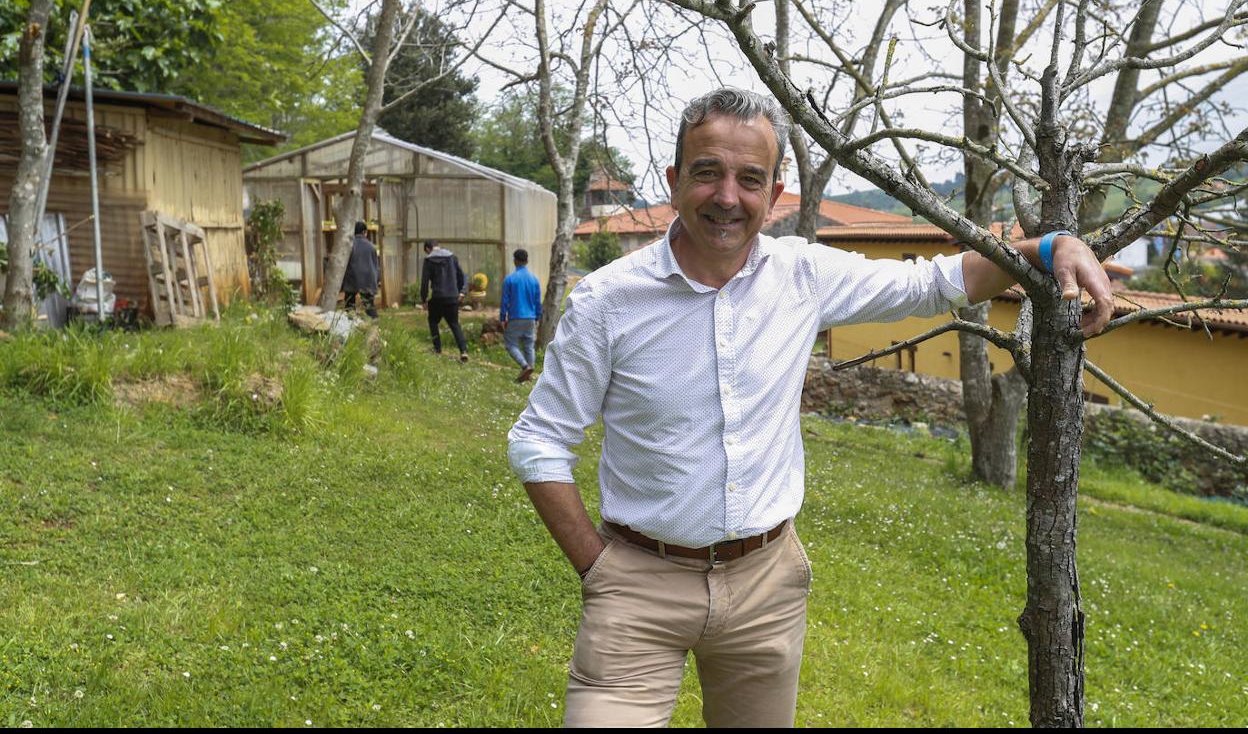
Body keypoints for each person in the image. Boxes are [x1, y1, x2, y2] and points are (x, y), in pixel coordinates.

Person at [506, 88, 1114, 727]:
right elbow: (539, 440)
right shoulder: (608, 302)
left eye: (750, 179)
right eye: (707, 172)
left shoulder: (802, 275)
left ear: (774, 194)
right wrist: (599, 568)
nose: (727, 197)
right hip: (636, 584)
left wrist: (1048, 249)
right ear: (673, 181)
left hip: (766, 586)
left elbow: (932, 281)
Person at [420, 239, 469, 362]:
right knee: (454, 324)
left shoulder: (428, 260)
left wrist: (424, 298)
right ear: (438, 246)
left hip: (437, 297)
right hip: (452, 297)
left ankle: (437, 349)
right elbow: (461, 276)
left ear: (427, 249)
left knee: (433, 321)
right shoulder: (452, 257)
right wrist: (461, 291)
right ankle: (463, 351)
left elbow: (425, 281)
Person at [500, 249, 542, 383]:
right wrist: (537, 317)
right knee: (529, 346)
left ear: (515, 261)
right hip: (530, 317)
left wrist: (502, 318)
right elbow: (537, 301)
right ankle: (529, 374)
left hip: (516, 316)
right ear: (527, 261)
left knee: (510, 344)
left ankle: (525, 366)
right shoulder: (534, 279)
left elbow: (505, 301)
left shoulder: (510, 279)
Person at [342, 221, 379, 318]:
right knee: (369, 305)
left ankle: (350, 324)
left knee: (349, 304)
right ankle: (375, 323)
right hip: (368, 280)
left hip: (352, 279)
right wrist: (377, 280)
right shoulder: (372, 247)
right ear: (364, 232)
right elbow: (375, 266)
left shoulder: (350, 246)